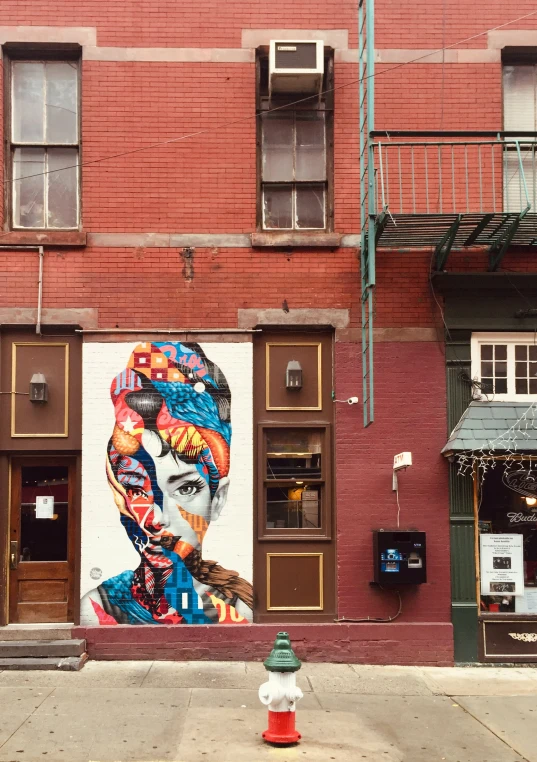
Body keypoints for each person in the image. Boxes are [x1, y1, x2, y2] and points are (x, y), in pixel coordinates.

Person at [81, 341, 253, 625]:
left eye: (185, 489)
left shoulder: (241, 609)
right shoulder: (97, 611)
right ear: (120, 496)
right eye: (138, 489)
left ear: (217, 499)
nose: (157, 518)